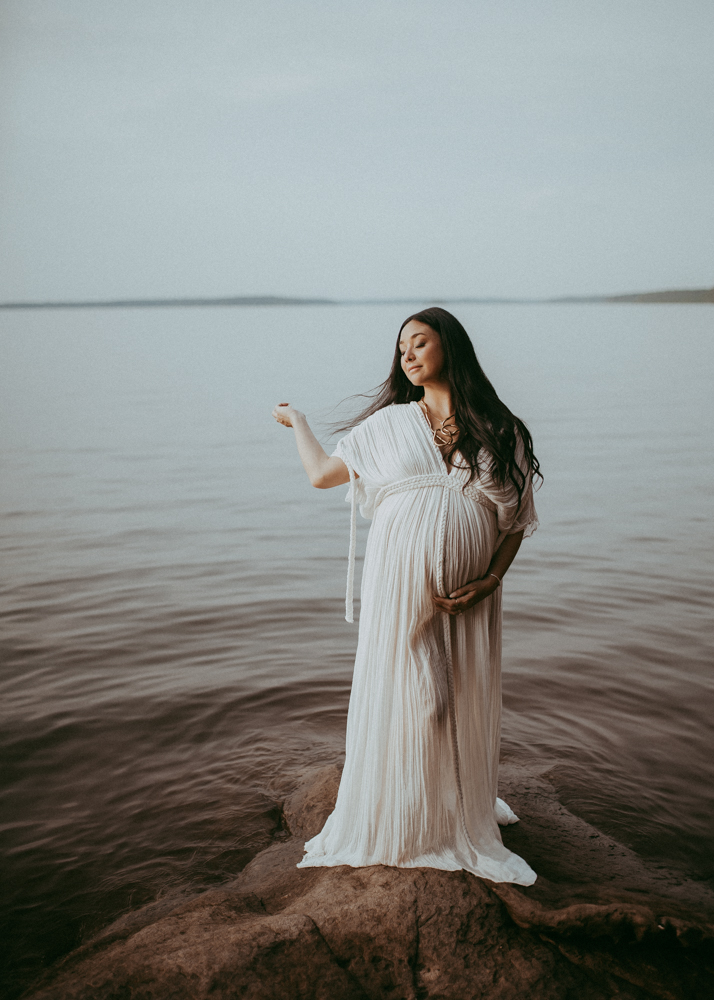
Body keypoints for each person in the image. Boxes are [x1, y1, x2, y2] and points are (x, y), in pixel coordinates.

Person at [272, 307, 541, 884]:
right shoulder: (388, 425)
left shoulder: (500, 427)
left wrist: (490, 581)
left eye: (419, 343)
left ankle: (455, 809)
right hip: (399, 581)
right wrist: (299, 422)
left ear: (451, 347)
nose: (408, 356)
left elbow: (515, 523)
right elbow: (322, 474)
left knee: (458, 691)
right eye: (401, 350)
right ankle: (403, 813)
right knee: (415, 690)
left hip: (471, 592)